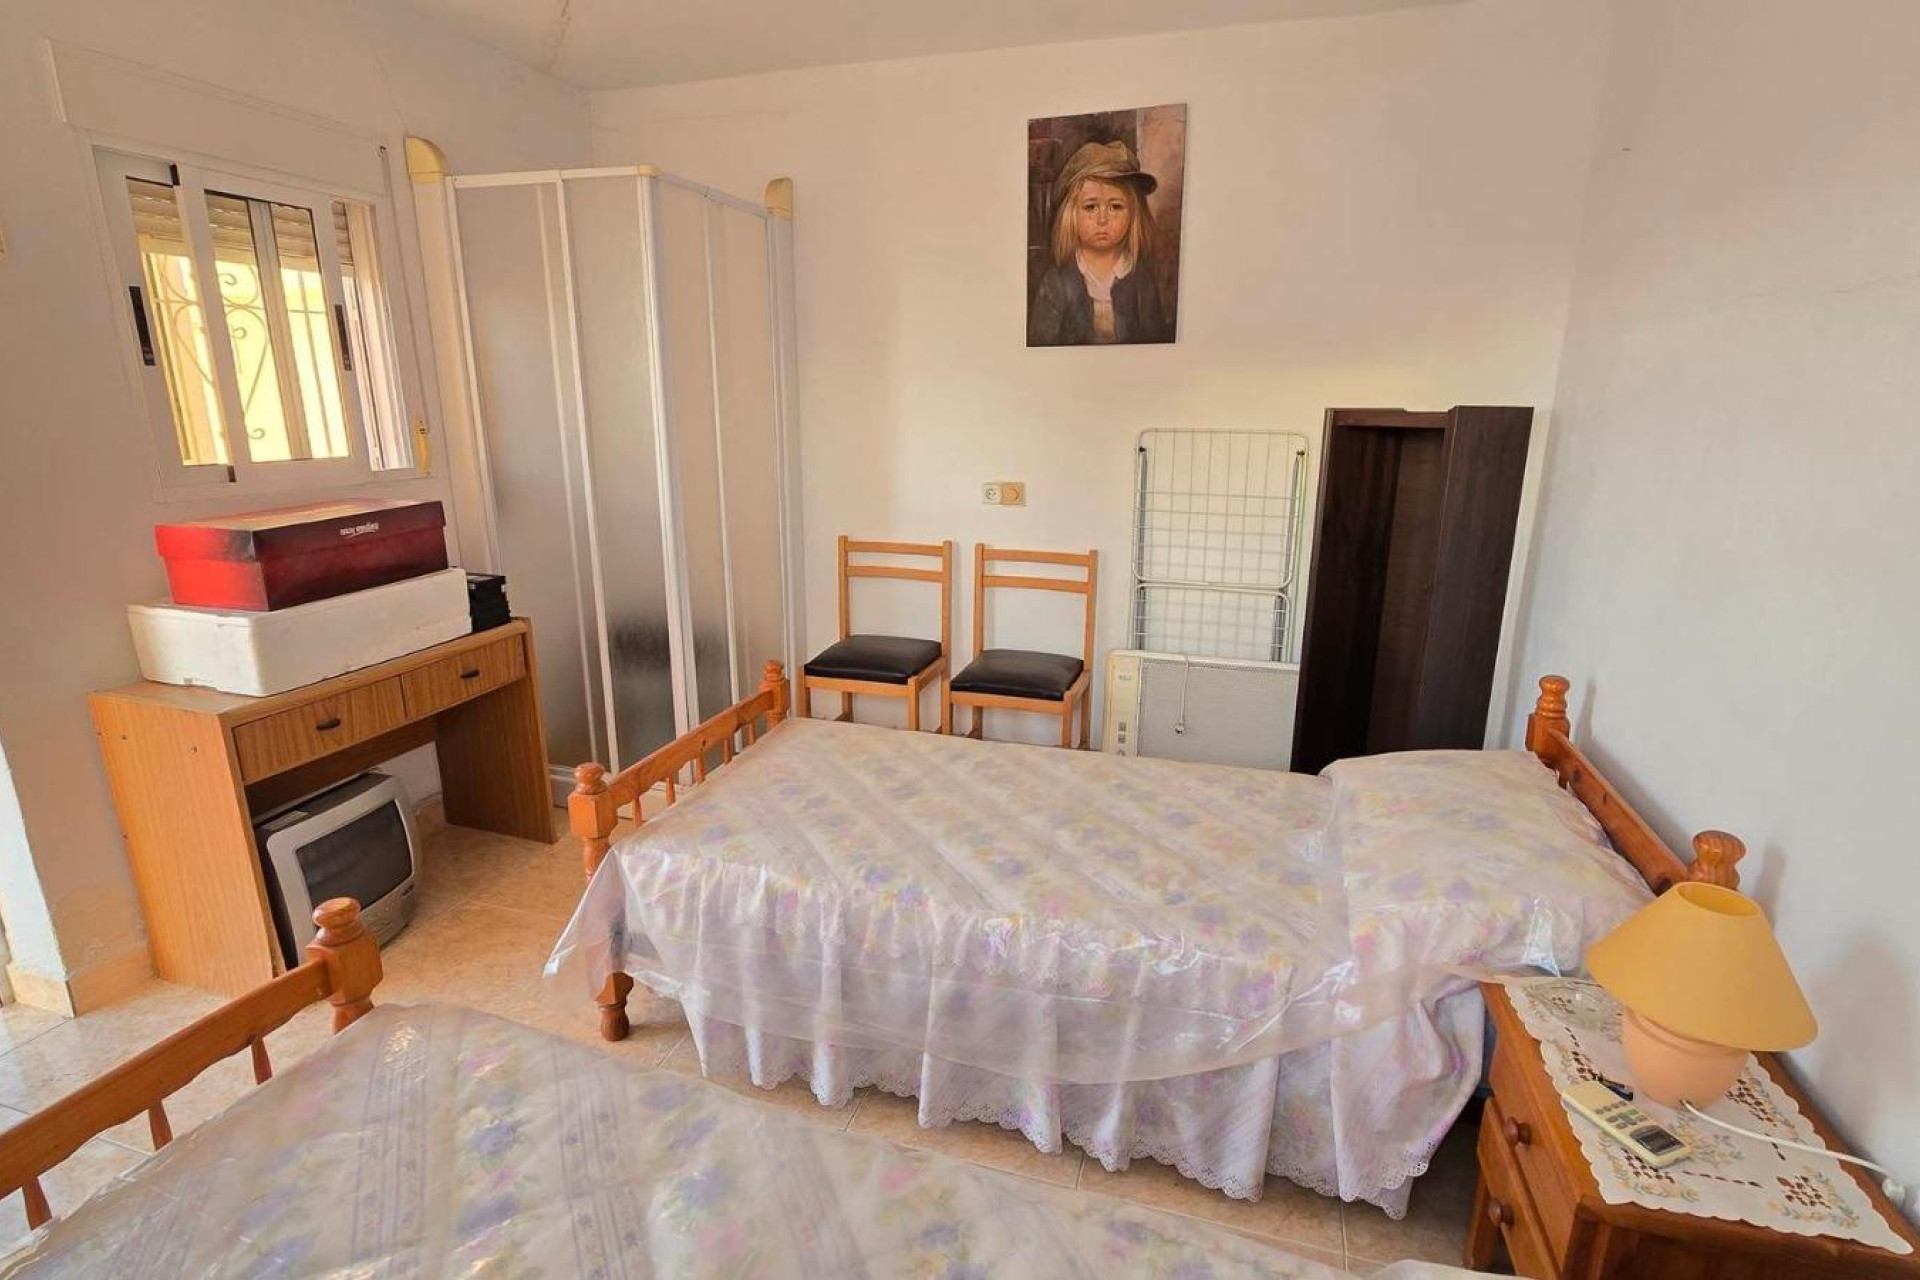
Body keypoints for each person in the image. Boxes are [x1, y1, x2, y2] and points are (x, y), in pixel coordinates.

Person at [1027, 139, 1173, 346]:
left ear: (1134, 214)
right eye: (1090, 207)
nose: (1102, 220)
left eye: (1115, 206)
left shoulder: (1141, 280)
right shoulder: (1056, 283)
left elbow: (1156, 345)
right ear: (1070, 215)